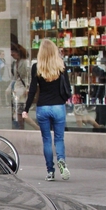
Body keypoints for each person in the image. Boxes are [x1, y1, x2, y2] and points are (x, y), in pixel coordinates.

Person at [22, 39, 71, 182]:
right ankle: (61, 160)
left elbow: (32, 90)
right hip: (58, 107)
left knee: (47, 140)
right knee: (59, 138)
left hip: (42, 107)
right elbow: (67, 87)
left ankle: (50, 171)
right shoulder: (61, 66)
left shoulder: (36, 67)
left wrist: (26, 109)